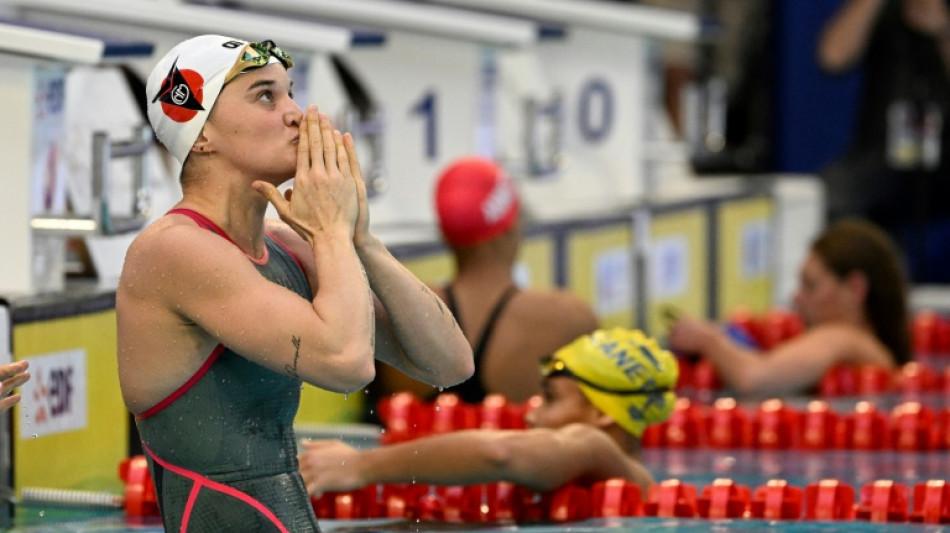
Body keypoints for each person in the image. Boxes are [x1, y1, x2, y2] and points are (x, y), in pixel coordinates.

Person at [117, 34, 473, 532]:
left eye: (290, 92)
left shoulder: (289, 243)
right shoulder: (174, 250)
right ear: (200, 134)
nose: (298, 114)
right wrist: (330, 233)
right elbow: (347, 363)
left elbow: (449, 364)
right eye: (266, 96)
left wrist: (360, 239)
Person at [300, 327, 678, 496]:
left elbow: (499, 453)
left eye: (551, 399)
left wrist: (361, 467)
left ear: (602, 415)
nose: (531, 414)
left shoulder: (593, 446)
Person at [370, 157, 599, 407]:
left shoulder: (397, 313)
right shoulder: (567, 318)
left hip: (420, 446)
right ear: (510, 227)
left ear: (444, 233)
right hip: (521, 446)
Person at [667, 218, 911, 397]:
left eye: (811, 285)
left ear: (856, 288)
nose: (797, 297)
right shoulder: (876, 348)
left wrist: (707, 340)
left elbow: (753, 378)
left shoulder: (844, 338)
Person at [817, 0, 950, 283]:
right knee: (835, 191)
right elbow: (832, 56)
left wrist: (943, 33)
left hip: (942, 157)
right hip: (881, 157)